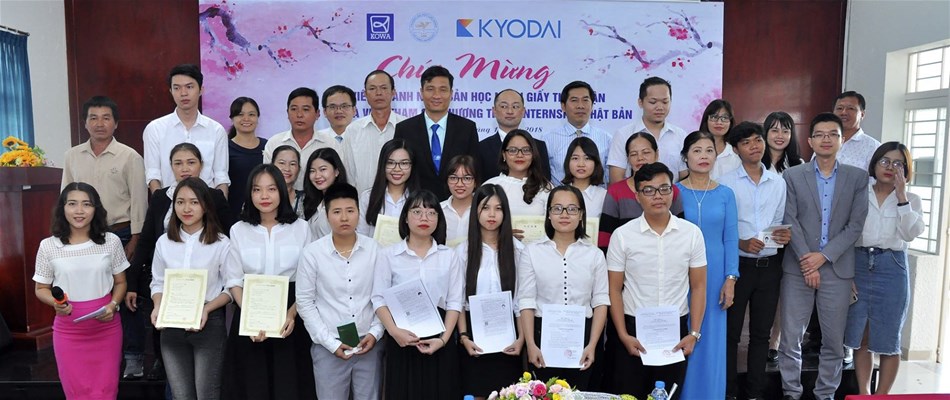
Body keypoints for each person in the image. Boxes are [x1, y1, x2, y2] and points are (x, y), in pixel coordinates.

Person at [126, 143, 234, 382]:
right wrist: (136, 285)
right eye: (178, 163)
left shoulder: (219, 230)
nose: (184, 168)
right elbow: (147, 244)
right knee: (178, 387)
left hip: (208, 310)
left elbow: (230, 247)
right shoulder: (161, 211)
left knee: (206, 387)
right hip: (170, 307)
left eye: (191, 162)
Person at [778, 113, 868, 400]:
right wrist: (808, 260)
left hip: (837, 268)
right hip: (798, 266)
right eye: (820, 134)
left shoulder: (857, 177)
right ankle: (791, 391)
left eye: (833, 134)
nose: (826, 139)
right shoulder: (792, 175)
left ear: (842, 140)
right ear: (810, 140)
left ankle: (825, 393)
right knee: (791, 337)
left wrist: (823, 257)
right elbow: (789, 219)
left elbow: (855, 225)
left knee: (833, 339)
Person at [61, 96, 148, 379]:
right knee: (91, 293)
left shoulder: (130, 156)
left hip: (120, 233)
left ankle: (133, 357)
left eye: (106, 118)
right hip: (83, 235)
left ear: (116, 123)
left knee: (126, 294)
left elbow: (139, 201)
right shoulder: (72, 156)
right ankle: (95, 351)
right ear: (85, 123)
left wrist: (135, 239)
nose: (100, 123)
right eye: (93, 118)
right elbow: (65, 198)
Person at [605, 162, 706, 400]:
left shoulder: (691, 234)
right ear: (638, 196)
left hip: (675, 332)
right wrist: (623, 335)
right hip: (632, 330)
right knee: (629, 395)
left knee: (667, 395)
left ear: (673, 192)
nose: (658, 196)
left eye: (664, 188)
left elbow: (699, 286)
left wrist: (694, 333)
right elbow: (614, 289)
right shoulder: (623, 235)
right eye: (649, 190)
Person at [223, 164, 316, 400]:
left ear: (282, 191)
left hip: (291, 314)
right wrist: (252, 316)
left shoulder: (301, 228)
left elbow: (309, 280)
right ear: (249, 193)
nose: (264, 196)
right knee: (252, 384)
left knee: (289, 383)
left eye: (271, 189)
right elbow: (233, 280)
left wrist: (291, 314)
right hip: (249, 311)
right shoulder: (238, 230)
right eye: (257, 189)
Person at [33, 182, 129, 399]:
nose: (79, 211)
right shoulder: (48, 246)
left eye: (87, 204)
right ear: (62, 208)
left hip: (106, 329)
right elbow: (41, 288)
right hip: (69, 332)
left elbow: (121, 283)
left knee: (106, 391)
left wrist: (113, 305)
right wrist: (56, 303)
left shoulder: (111, 241)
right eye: (72, 204)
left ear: (96, 209)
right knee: (76, 392)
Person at [718, 122, 790, 400]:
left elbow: (778, 221)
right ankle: (729, 392)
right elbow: (722, 228)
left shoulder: (777, 182)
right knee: (731, 335)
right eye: (746, 142)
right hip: (738, 267)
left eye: (758, 140)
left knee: (761, 335)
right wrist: (741, 243)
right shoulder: (726, 183)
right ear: (736, 150)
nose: (754, 146)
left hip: (770, 267)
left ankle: (754, 393)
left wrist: (782, 235)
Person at [845, 142, 924, 395]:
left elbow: (910, 234)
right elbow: (846, 233)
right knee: (862, 336)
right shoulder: (859, 193)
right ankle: (864, 393)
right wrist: (847, 274)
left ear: (906, 169)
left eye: (898, 163)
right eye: (885, 161)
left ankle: (882, 396)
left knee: (889, 338)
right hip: (859, 263)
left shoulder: (912, 199)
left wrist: (901, 197)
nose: (890, 167)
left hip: (892, 267)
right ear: (875, 164)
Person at [372, 190, 464, 399]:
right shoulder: (388, 255)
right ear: (405, 217)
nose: (424, 218)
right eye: (417, 212)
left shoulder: (449, 256)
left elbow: (454, 302)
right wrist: (394, 332)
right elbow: (378, 298)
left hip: (440, 336)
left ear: (438, 219)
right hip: (402, 337)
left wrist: (443, 340)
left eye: (431, 213)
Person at [297, 182, 384, 399]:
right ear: (327, 215)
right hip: (328, 346)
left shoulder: (375, 250)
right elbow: (305, 302)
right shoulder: (312, 253)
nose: (344, 218)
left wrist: (375, 333)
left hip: (369, 344)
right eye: (336, 212)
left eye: (350, 211)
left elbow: (383, 298)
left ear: (358, 213)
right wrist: (330, 343)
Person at [518, 185, 609, 390]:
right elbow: (526, 301)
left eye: (572, 209)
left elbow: (601, 302)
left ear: (581, 215)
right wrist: (531, 344)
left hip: (584, 338)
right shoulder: (532, 252)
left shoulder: (594, 254)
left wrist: (592, 345)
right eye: (557, 208)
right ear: (549, 214)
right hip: (543, 337)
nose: (564, 214)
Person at [150, 177, 231, 400]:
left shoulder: (221, 243)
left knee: (207, 393)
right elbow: (157, 282)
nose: (186, 208)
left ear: (205, 206)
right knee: (180, 395)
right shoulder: (164, 242)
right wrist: (157, 306)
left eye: (194, 202)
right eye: (180, 202)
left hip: (209, 323)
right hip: (171, 324)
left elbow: (230, 288)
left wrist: (207, 309)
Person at [675, 130, 738, 400]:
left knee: (710, 338)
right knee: (681, 331)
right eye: (697, 150)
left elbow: (730, 238)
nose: (703, 156)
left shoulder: (726, 194)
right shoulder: (673, 192)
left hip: (714, 278)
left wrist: (730, 278)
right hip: (679, 275)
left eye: (709, 151)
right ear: (685, 156)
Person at [455, 184, 524, 398]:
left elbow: (521, 300)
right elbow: (457, 300)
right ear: (475, 211)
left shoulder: (519, 250)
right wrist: (464, 336)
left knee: (509, 394)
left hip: (509, 337)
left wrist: (521, 338)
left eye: (498, 208)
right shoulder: (463, 252)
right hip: (475, 336)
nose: (492, 214)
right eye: (485, 208)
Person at [144, 64, 230, 196]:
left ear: (201, 90)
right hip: (169, 204)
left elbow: (221, 177)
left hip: (207, 204)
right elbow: (153, 174)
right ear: (170, 91)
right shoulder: (155, 129)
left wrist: (219, 205)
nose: (183, 93)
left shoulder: (216, 130)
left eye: (189, 87)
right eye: (177, 88)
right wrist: (161, 204)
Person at [394, 65, 479, 200]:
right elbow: (397, 169)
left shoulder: (467, 128)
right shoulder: (404, 129)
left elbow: (475, 171)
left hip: (456, 203)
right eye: (430, 89)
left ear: (451, 93)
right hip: (417, 203)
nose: (436, 95)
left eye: (443, 90)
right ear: (421, 92)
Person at [760, 111, 803, 362]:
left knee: (781, 294)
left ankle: (774, 342)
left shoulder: (799, 165)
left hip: (789, 238)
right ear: (765, 133)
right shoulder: (755, 161)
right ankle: (757, 339)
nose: (780, 135)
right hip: (758, 239)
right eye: (774, 130)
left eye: (785, 130)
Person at [598, 132, 684, 253]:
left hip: (667, 255)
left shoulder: (670, 190)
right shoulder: (616, 191)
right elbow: (605, 235)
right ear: (627, 158)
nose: (640, 158)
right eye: (634, 154)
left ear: (656, 154)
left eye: (646, 152)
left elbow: (680, 231)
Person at [606, 77, 687, 183]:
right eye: (653, 102)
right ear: (640, 102)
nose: (660, 107)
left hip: (670, 193)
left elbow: (685, 179)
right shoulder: (623, 134)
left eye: (665, 102)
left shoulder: (681, 135)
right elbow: (616, 181)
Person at [343, 70, 407, 194]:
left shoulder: (407, 126)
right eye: (372, 88)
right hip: (362, 202)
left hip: (401, 201)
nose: (378, 93)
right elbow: (349, 174)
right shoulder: (353, 130)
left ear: (393, 92)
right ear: (365, 94)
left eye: (384, 88)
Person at [263, 87, 332, 191]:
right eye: (294, 109)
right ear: (287, 112)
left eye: (305, 109)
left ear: (317, 113)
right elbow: (268, 179)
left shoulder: (330, 144)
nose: (299, 115)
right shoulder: (274, 143)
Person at [544, 81, 612, 183]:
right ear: (563, 106)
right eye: (574, 100)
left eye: (585, 100)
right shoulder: (548, 140)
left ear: (592, 106)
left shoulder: (607, 139)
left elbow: (611, 178)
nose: (580, 106)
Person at [478, 89, 551, 180]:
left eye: (515, 106)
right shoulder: (481, 147)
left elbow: (544, 181)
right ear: (494, 110)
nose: (510, 111)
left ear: (523, 111)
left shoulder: (539, 146)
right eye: (504, 106)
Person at [482, 129, 552, 216]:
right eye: (512, 150)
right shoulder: (490, 185)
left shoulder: (545, 188)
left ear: (533, 155)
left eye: (526, 150)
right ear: (504, 155)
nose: (519, 155)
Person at [358, 139, 418, 237]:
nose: (397, 169)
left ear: (412, 166)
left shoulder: (420, 200)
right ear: (383, 165)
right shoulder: (367, 197)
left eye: (404, 163)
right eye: (390, 163)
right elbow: (361, 235)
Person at [227, 96, 267, 217]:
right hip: (233, 213)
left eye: (251, 114)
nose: (246, 119)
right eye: (240, 114)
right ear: (232, 118)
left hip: (264, 211)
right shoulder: (224, 147)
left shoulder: (268, 146)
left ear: (258, 118)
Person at [302, 147, 349, 239]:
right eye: (312, 171)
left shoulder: (344, 202)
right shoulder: (316, 201)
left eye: (323, 169)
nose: (317, 176)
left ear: (336, 171)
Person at [562, 136, 607, 225]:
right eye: (575, 158)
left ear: (595, 163)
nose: (581, 164)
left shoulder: (604, 196)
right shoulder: (558, 194)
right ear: (568, 162)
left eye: (587, 158)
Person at [833, 91, 881, 169]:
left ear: (862, 114)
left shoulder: (874, 147)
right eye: (839, 108)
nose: (843, 112)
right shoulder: (825, 141)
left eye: (850, 108)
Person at [699, 99, 741, 179]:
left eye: (724, 118)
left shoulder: (736, 153)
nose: (719, 122)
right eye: (714, 117)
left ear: (730, 122)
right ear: (706, 120)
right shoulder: (695, 149)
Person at [441, 155, 478, 246]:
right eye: (453, 178)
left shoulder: (484, 210)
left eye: (467, 178)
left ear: (476, 182)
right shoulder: (438, 210)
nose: (459, 184)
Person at [317, 85, 357, 158]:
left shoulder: (363, 138)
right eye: (333, 107)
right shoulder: (317, 139)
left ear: (354, 110)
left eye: (344, 106)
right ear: (324, 111)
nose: (339, 111)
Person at [270, 145, 304, 217]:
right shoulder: (261, 197)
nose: (287, 169)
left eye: (292, 164)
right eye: (282, 163)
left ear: (299, 169)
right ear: (272, 166)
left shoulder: (306, 200)